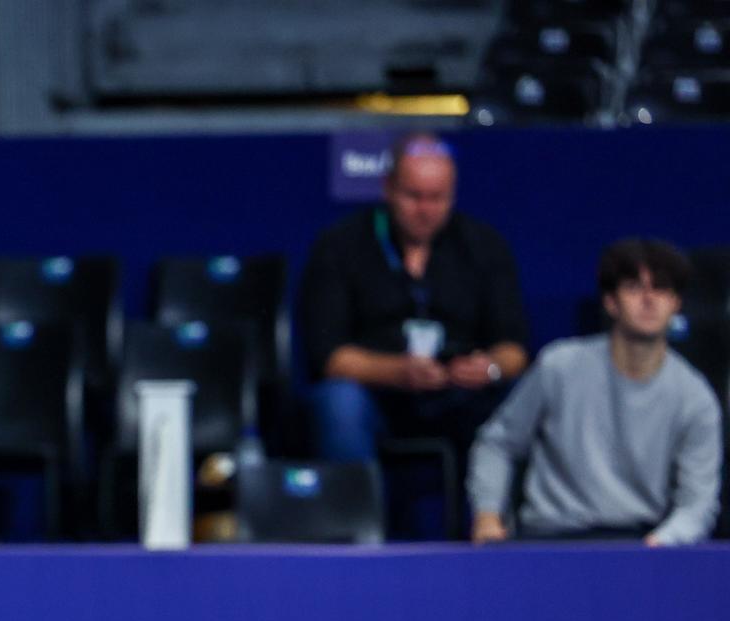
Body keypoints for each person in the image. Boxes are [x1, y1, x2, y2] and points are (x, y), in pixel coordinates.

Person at [469, 239, 722, 546]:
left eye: (662, 288)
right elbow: (498, 443)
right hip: (548, 541)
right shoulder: (559, 367)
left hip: (640, 544)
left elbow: (698, 503)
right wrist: (487, 515)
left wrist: (661, 543)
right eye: (634, 287)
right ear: (610, 302)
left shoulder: (694, 397)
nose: (649, 299)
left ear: (677, 303)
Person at [301, 133, 531, 462]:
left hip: (463, 394)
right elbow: (330, 357)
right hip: (378, 395)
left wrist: (489, 367)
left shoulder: (483, 245)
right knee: (339, 403)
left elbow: (515, 349)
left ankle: (500, 514)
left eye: (437, 198)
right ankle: (357, 513)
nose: (425, 210)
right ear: (388, 188)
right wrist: (398, 372)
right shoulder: (341, 246)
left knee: (526, 392)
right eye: (414, 196)